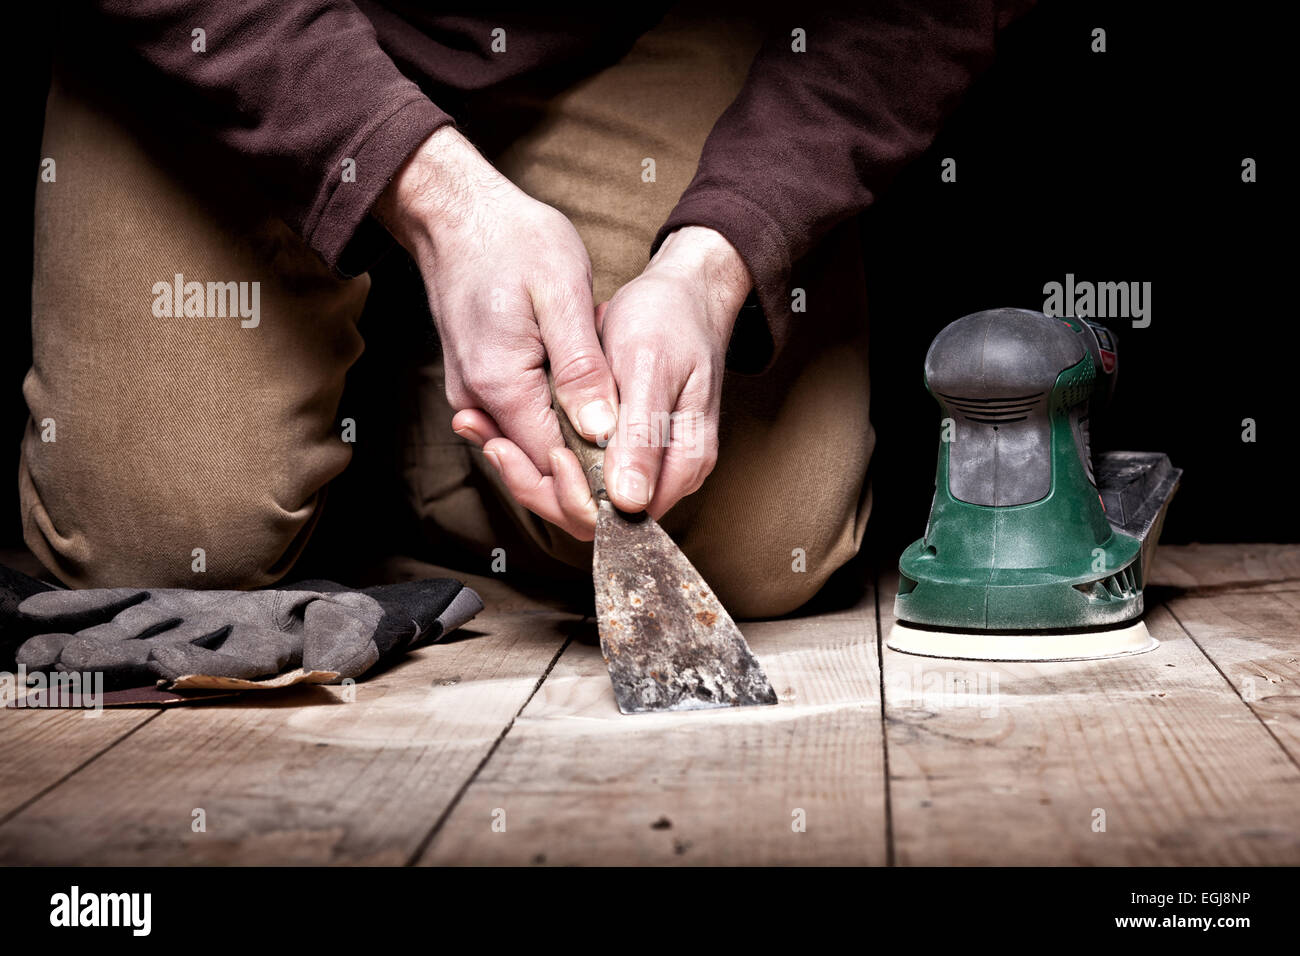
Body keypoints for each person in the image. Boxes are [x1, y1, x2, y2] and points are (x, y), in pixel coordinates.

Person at [20, 1, 1033, 617]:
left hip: (623, 32)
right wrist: (435, 201)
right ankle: (402, 299)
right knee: (164, 542)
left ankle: (433, 385)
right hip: (243, 31)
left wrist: (715, 254)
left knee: (757, 545)